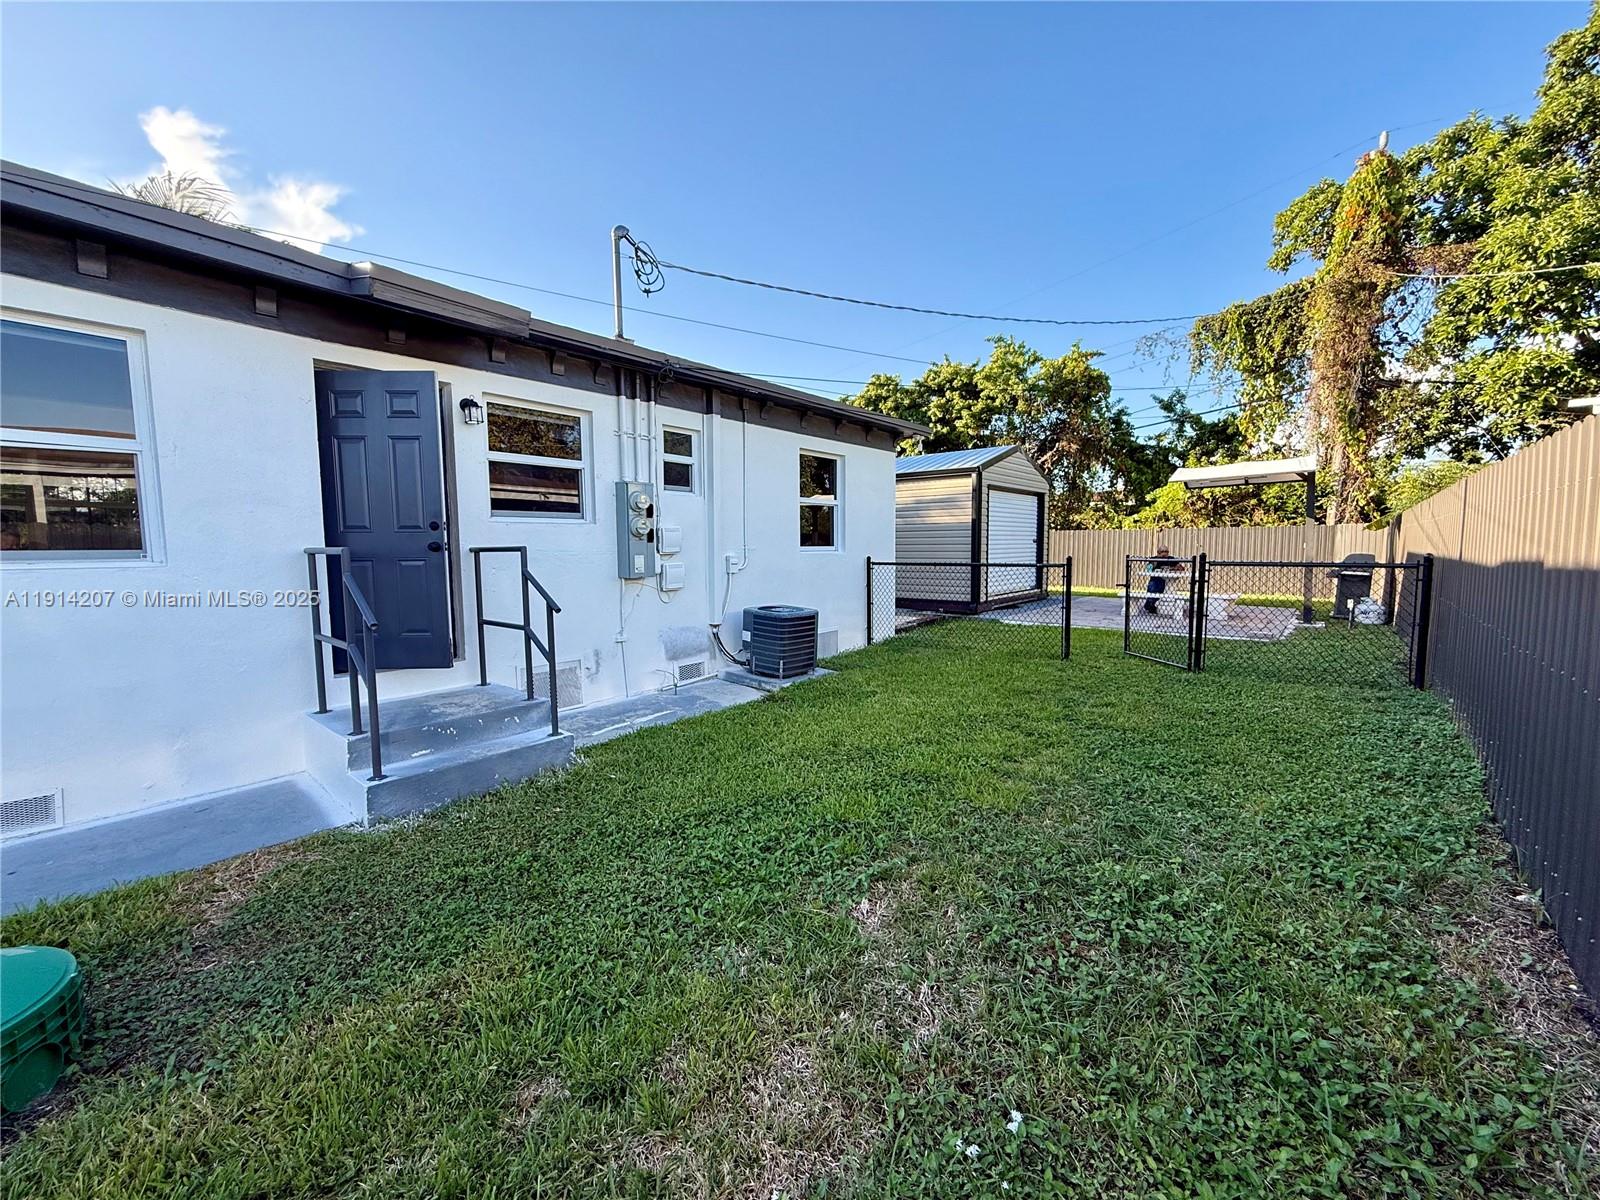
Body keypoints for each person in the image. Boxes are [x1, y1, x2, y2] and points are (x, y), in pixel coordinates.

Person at [1144, 544, 1181, 615]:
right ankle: (1150, 604)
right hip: (1156, 579)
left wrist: (1173, 568)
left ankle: (1151, 605)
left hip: (1169, 580)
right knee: (1153, 587)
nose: (1164, 553)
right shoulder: (1154, 559)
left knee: (1167, 587)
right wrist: (1154, 565)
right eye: (1162, 551)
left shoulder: (1171, 559)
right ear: (1158, 552)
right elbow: (1148, 569)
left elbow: (1181, 568)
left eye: (1166, 551)